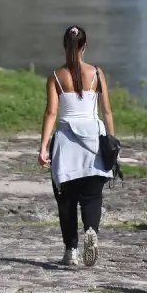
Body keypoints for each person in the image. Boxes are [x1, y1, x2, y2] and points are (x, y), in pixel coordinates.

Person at [37, 25, 115, 267]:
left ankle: (71, 251)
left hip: (66, 144)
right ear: (85, 47)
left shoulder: (56, 77)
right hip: (94, 141)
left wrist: (43, 147)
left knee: (66, 201)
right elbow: (107, 111)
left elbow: (51, 113)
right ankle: (91, 231)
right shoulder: (98, 74)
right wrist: (111, 142)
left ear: (64, 46)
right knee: (92, 197)